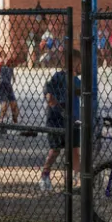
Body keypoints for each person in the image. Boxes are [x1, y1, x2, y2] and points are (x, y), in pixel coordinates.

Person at [40, 49, 82, 193]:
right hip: (57, 121)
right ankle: (45, 175)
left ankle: (78, 179)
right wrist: (53, 103)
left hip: (74, 122)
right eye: (79, 63)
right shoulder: (58, 77)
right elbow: (48, 92)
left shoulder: (77, 81)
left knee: (75, 149)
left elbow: (79, 97)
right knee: (55, 150)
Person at [0, 50, 19, 131]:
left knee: (14, 107)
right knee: (4, 107)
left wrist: (13, 77)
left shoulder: (9, 64)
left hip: (8, 87)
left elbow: (11, 71)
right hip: (1, 86)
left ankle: (15, 123)